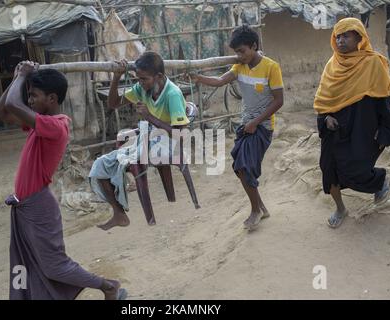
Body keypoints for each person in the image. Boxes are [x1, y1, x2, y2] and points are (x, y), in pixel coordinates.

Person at [0, 61, 126, 300]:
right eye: (29, 96)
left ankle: (108, 286)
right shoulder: (39, 122)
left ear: (52, 98)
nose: (30, 100)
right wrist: (17, 78)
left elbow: (14, 104)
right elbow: (2, 112)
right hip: (27, 206)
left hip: (38, 206)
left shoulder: (56, 125)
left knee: (54, 266)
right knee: (32, 262)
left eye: (34, 96)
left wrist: (21, 76)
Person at [189, 25, 284, 230]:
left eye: (242, 51)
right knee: (241, 168)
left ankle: (255, 210)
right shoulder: (240, 67)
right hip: (246, 125)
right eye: (236, 53)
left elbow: (278, 101)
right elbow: (220, 80)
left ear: (254, 46)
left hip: (262, 127)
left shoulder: (271, 67)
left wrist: (256, 122)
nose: (239, 56)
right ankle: (261, 207)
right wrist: (199, 78)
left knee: (244, 167)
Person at [89, 51, 190, 231]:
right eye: (138, 79)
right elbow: (113, 104)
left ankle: (146, 212)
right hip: (149, 140)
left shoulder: (172, 94)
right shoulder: (142, 88)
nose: (140, 83)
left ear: (159, 76)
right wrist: (116, 77)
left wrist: (149, 117)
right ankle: (119, 213)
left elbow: (179, 135)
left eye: (144, 79)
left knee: (128, 161)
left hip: (169, 144)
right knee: (99, 165)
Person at [314, 18, 390, 229]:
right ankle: (340, 208)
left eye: (346, 35)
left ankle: (380, 181)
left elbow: (383, 100)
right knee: (328, 170)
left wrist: (385, 132)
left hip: (362, 128)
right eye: (337, 36)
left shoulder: (373, 63)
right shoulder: (332, 65)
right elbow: (323, 101)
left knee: (357, 169)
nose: (340, 40)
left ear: (360, 38)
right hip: (335, 130)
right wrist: (325, 118)